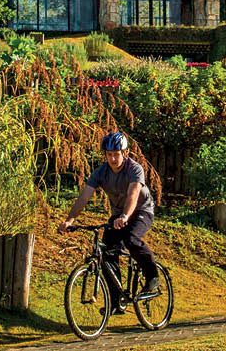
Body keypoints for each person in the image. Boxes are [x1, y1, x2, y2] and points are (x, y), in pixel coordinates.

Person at [59, 131, 158, 314]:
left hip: (141, 211)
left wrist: (126, 217)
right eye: (109, 154)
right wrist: (69, 220)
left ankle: (152, 275)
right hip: (120, 215)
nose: (113, 158)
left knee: (131, 239)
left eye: (116, 154)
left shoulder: (134, 169)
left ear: (125, 153)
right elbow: (84, 197)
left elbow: (133, 195)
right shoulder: (101, 172)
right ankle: (116, 301)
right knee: (106, 251)